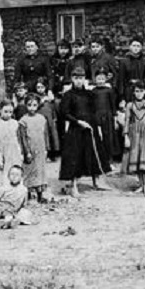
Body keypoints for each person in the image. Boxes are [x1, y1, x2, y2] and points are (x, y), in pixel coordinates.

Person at [59, 68, 104, 196]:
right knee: (75, 156)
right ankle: (73, 186)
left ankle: (96, 182)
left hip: (91, 126)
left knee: (94, 153)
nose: (79, 81)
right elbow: (64, 113)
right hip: (76, 128)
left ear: (85, 79)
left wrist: (98, 127)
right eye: (76, 78)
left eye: (81, 78)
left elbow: (95, 111)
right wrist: (78, 122)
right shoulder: (68, 95)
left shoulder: (90, 94)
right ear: (72, 79)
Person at [121, 81, 145, 195]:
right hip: (134, 134)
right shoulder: (130, 105)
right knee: (136, 158)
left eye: (141, 91)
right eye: (137, 91)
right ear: (133, 92)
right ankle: (141, 185)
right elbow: (127, 121)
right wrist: (126, 136)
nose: (139, 94)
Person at [19, 93, 50, 202]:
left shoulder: (42, 118)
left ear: (38, 106)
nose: (32, 108)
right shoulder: (23, 120)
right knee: (29, 171)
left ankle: (40, 195)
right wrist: (26, 152)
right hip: (30, 149)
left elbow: (45, 134)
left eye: (34, 105)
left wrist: (46, 149)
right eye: (29, 105)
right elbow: (23, 138)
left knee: (40, 171)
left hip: (40, 149)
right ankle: (27, 194)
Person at [0, 165, 28, 230]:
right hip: (0, 205)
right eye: (12, 174)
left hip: (11, 208)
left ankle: (7, 222)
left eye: (17, 175)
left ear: (21, 177)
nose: (14, 177)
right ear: (8, 176)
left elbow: (24, 203)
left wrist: (21, 210)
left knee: (9, 215)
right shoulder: (4, 187)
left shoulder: (23, 190)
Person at [0, 100, 24, 179]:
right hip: (2, 151)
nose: (8, 114)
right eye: (5, 111)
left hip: (13, 152)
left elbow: (18, 140)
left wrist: (20, 154)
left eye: (10, 112)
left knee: (14, 172)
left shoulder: (15, 123)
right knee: (3, 174)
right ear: (0, 110)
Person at [117, 35, 145, 106]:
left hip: (142, 91)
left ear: (141, 47)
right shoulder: (124, 62)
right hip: (128, 91)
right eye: (134, 46)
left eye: (138, 46)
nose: (136, 48)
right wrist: (122, 97)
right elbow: (121, 80)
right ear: (130, 47)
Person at [93, 69, 117, 166]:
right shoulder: (93, 91)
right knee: (99, 137)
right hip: (97, 116)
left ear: (106, 79)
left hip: (108, 116)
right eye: (98, 78)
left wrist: (114, 118)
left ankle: (109, 160)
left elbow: (113, 105)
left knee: (108, 138)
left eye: (103, 78)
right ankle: (99, 160)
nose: (100, 81)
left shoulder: (109, 91)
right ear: (95, 79)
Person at [34, 77, 60, 161]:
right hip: (41, 119)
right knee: (44, 136)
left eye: (42, 87)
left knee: (52, 134)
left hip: (50, 119)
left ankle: (54, 153)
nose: (40, 89)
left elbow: (53, 107)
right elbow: (34, 107)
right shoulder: (35, 97)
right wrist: (41, 102)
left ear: (45, 88)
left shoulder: (49, 97)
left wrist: (54, 116)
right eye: (38, 87)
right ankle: (47, 153)